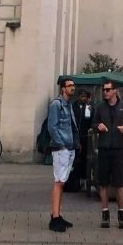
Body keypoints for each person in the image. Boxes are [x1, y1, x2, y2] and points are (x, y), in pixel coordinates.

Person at [93, 80, 123, 229]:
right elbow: (93, 124)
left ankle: (121, 213)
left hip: (117, 149)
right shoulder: (100, 107)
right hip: (103, 148)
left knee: (119, 183)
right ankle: (105, 213)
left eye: (108, 89)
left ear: (115, 91)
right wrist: (98, 126)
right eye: (104, 89)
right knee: (103, 182)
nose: (105, 92)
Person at [46, 76, 80, 232]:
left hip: (69, 147)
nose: (73, 87)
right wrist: (61, 144)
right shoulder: (57, 104)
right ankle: (54, 218)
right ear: (63, 89)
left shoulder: (68, 105)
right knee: (59, 182)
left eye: (73, 85)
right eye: (69, 85)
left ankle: (57, 215)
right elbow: (52, 127)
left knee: (62, 182)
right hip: (62, 149)